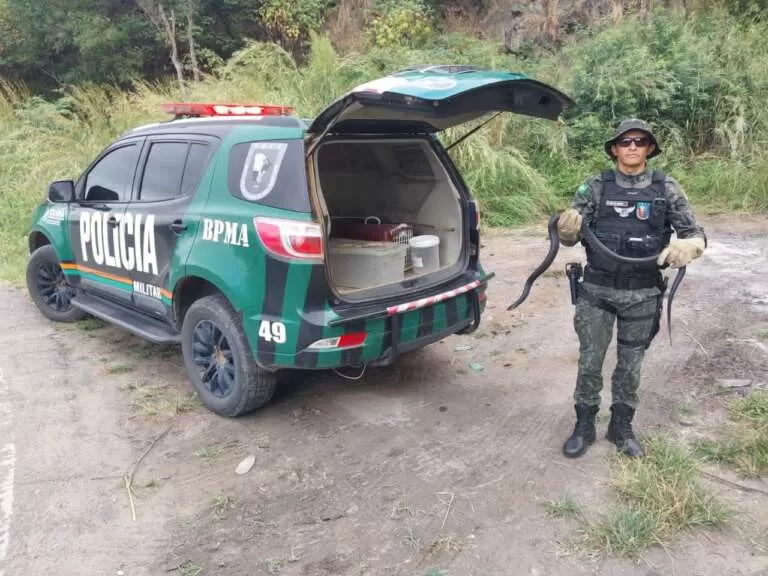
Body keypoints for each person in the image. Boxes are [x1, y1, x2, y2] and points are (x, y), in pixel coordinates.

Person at [557, 118, 707, 459]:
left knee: (630, 364)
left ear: (650, 148)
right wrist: (566, 230)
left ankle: (621, 427)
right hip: (597, 291)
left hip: (643, 294)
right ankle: (584, 425)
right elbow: (570, 235)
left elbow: (693, 232)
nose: (633, 147)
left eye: (640, 141)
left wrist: (691, 246)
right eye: (625, 142)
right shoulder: (594, 187)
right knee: (590, 361)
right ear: (615, 149)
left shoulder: (667, 188)